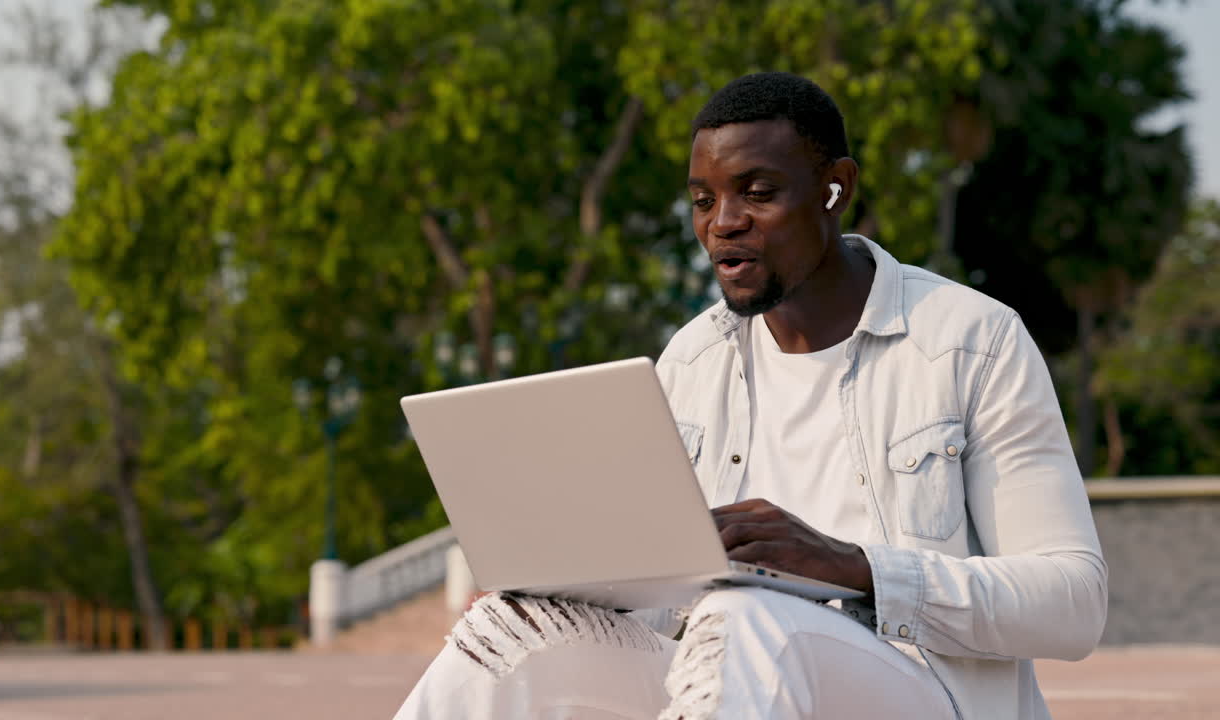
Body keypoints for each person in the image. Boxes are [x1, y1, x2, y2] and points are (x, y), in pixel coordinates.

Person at [394, 72, 1106, 720]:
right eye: (703, 201)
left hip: (922, 693)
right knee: (510, 631)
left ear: (835, 188)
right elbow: (665, 609)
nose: (722, 222)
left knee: (748, 614)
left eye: (758, 193)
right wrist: (574, 587)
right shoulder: (693, 359)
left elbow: (1073, 603)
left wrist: (853, 566)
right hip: (729, 680)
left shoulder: (970, 341)